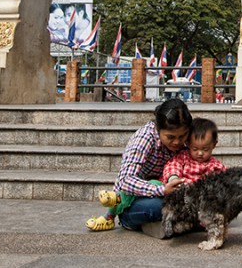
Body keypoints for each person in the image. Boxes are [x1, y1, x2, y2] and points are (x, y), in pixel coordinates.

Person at [87, 117, 226, 233]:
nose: (200, 153)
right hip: (169, 191)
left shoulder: (215, 166)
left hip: (195, 200)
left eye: (205, 149)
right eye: (195, 149)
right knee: (155, 188)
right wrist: (174, 178)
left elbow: (223, 182)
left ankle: (174, 225)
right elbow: (172, 166)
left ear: (214, 145)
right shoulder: (182, 155)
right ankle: (117, 201)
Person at [84, 98, 192, 234]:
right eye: (170, 137)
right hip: (132, 200)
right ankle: (130, 221)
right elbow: (125, 180)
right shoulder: (144, 138)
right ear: (158, 128)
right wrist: (161, 190)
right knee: (158, 207)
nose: (177, 142)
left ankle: (162, 224)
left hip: (169, 192)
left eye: (182, 136)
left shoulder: (187, 140)